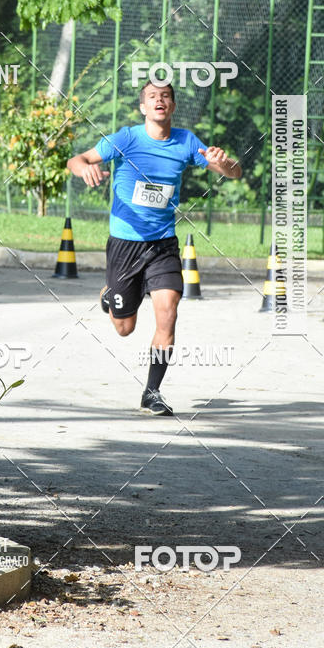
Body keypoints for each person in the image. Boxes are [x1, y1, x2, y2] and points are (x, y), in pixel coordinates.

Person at [67, 79, 242, 416]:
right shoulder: (126, 138)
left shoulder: (186, 141)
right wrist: (85, 168)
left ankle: (152, 392)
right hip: (124, 246)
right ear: (143, 107)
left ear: (172, 107)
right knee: (124, 327)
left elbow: (234, 172)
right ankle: (109, 297)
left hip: (162, 245)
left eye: (165, 96)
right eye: (152, 96)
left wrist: (224, 162)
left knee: (168, 311)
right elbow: (77, 159)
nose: (159, 100)